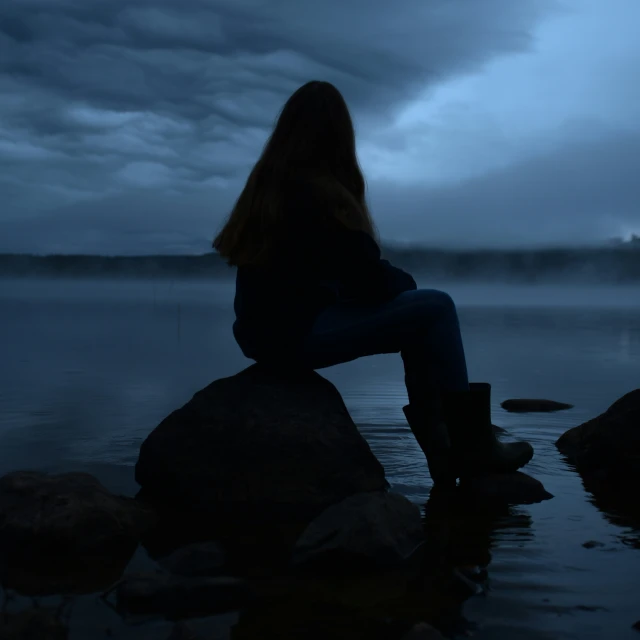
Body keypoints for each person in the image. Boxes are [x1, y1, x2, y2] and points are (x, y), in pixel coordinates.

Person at [213, 80, 533, 486]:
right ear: (338, 134)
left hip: (264, 336)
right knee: (436, 306)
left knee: (420, 324)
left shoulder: (270, 186)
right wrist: (406, 283)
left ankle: (448, 457)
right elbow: (369, 282)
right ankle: (468, 444)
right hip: (294, 336)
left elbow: (324, 276)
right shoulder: (317, 192)